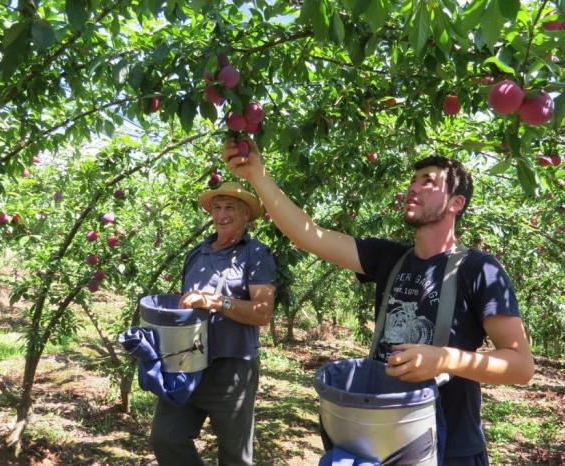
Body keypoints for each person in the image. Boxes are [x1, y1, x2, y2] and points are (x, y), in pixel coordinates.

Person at [222, 139, 534, 466]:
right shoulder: (389, 257)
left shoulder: (478, 269)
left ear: (456, 203)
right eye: (413, 181)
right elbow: (309, 235)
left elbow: (521, 366)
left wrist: (444, 359)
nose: (413, 188)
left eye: (427, 181)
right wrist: (257, 176)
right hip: (381, 436)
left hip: (451, 447)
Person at [150, 182, 277, 466]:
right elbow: (186, 304)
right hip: (188, 361)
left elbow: (263, 312)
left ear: (246, 215)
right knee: (166, 436)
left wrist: (217, 302)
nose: (222, 214)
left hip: (232, 367)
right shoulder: (196, 252)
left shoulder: (255, 254)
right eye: (217, 207)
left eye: (230, 207)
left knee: (234, 455)